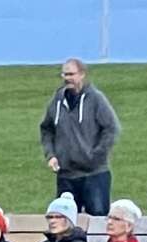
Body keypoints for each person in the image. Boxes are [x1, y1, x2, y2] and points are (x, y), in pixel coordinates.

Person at [38, 58, 121, 216]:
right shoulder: (57, 101)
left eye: (71, 74)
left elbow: (111, 128)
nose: (67, 78)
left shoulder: (96, 99)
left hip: (94, 175)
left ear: (82, 74)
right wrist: (51, 155)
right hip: (66, 175)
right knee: (65, 221)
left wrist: (96, 155)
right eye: (64, 74)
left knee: (97, 220)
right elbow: (46, 129)